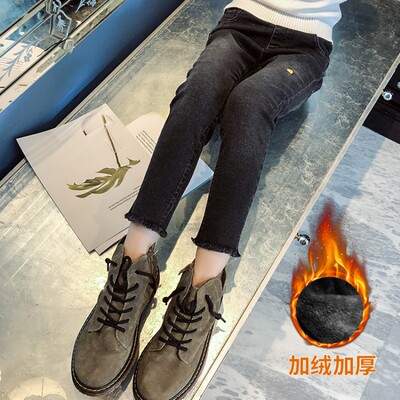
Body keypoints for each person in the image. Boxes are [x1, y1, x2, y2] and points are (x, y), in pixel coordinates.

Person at [71, 0, 346, 398]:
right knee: (197, 94)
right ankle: (132, 266)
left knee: (249, 105)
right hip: (244, 19)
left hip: (306, 42)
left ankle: (201, 291)